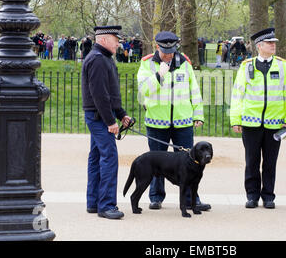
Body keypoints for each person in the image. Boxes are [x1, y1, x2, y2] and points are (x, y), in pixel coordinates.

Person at [136, 31, 210, 212]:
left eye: (171, 50)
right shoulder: (146, 63)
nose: (168, 54)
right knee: (157, 162)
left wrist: (198, 114)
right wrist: (158, 76)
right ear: (157, 47)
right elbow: (142, 91)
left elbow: (194, 90)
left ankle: (191, 200)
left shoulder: (184, 63)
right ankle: (156, 197)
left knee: (191, 162)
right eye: (164, 51)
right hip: (156, 121)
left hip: (182, 120)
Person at [230, 28, 286, 209]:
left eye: (274, 42)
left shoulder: (282, 65)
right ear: (260, 46)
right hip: (251, 123)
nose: (273, 45)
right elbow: (238, 94)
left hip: (274, 124)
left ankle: (268, 196)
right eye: (269, 43)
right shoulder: (246, 66)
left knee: (270, 162)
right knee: (251, 161)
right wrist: (236, 119)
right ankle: (252, 195)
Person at [81, 25, 132, 220]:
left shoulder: (103, 59)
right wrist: (111, 121)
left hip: (100, 115)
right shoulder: (98, 60)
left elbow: (110, 94)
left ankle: (94, 202)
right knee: (109, 158)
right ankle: (106, 205)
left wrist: (121, 114)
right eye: (115, 39)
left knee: (96, 158)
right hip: (99, 116)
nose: (118, 43)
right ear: (103, 39)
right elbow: (99, 95)